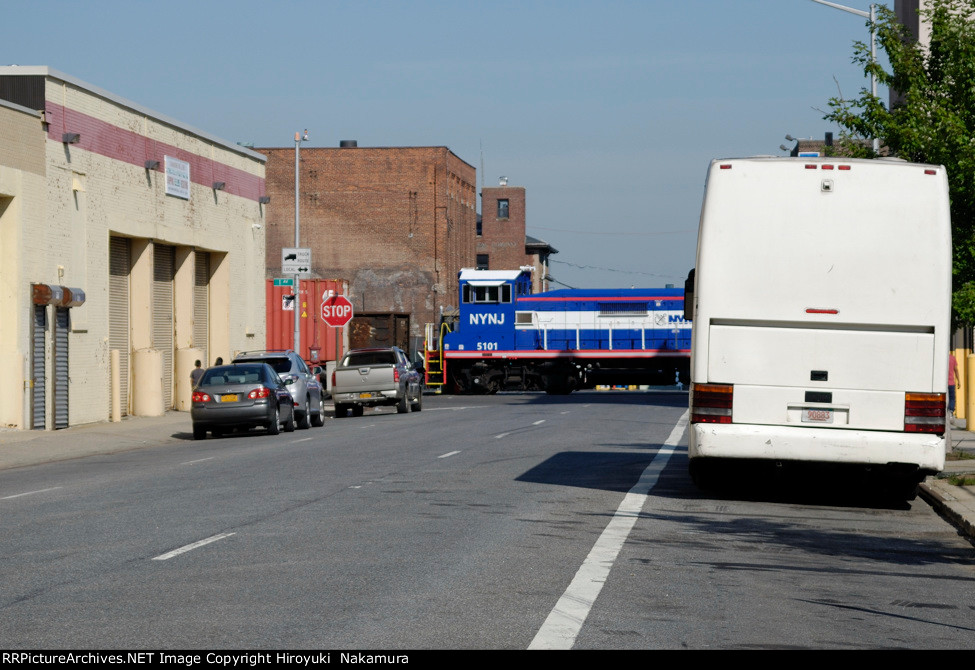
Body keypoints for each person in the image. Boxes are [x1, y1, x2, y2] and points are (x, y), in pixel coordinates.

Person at [948, 353, 959, 418]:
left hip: (943, 383)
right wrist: (959, 381)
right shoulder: (953, 358)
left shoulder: (942, 358)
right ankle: (951, 411)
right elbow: (956, 370)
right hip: (951, 382)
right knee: (952, 398)